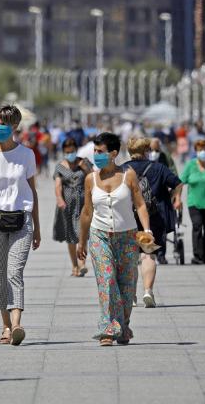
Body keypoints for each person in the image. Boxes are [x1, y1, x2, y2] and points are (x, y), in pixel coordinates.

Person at [0, 105, 41, 346]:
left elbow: (32, 191)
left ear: (15, 126)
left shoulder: (27, 155)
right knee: (0, 275)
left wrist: (38, 227)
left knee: (15, 271)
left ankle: (17, 324)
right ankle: (5, 326)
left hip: (22, 219)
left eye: (5, 123)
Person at [77, 132, 152, 346]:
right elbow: (86, 212)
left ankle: (124, 326)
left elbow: (140, 204)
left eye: (100, 152)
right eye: (95, 151)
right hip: (99, 235)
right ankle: (108, 329)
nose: (96, 155)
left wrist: (147, 230)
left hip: (127, 236)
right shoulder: (90, 178)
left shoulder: (128, 175)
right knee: (107, 280)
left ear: (113, 153)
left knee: (127, 285)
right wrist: (81, 242)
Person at [124, 137, 182, 307]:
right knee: (148, 255)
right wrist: (172, 197)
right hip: (153, 218)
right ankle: (148, 291)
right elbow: (178, 184)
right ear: (146, 151)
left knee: (130, 258)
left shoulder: (123, 170)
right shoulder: (159, 168)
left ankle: (131, 295)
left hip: (129, 218)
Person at [53, 138, 92, 277]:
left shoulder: (84, 162)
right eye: (68, 152)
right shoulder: (60, 166)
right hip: (68, 206)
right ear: (64, 151)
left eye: (73, 151)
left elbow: (93, 177)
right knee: (71, 236)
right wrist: (59, 199)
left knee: (83, 234)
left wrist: (85, 168)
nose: (70, 154)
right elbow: (58, 185)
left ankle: (82, 263)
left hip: (83, 204)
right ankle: (74, 265)